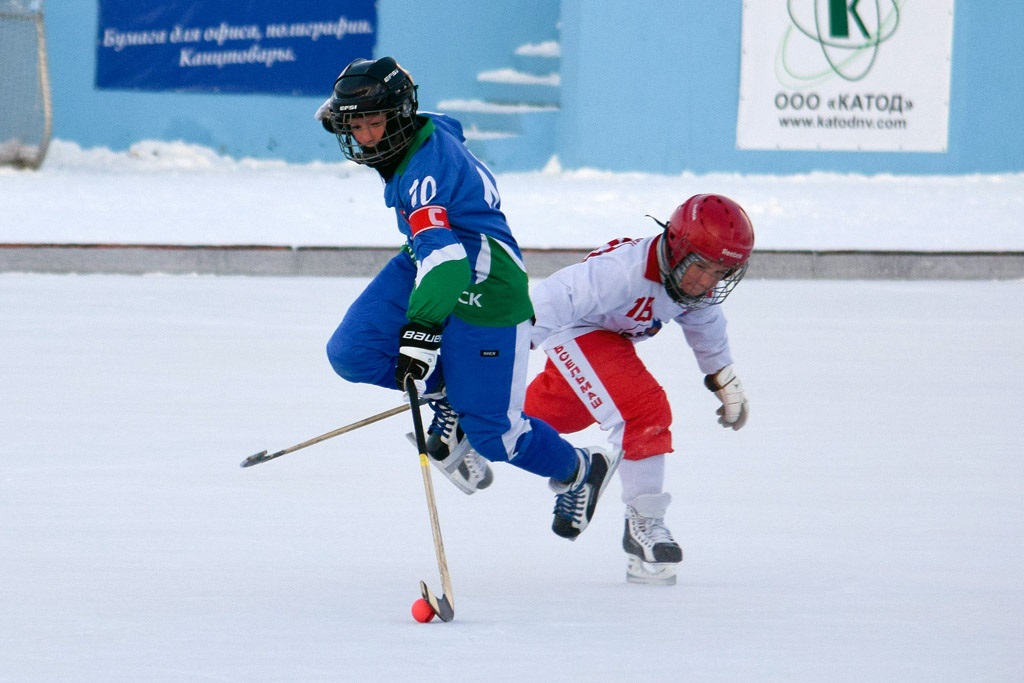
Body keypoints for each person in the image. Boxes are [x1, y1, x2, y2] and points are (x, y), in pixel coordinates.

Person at [315, 56, 621, 540]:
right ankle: (450, 395)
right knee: (352, 352)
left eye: (376, 122)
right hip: (427, 261)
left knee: (496, 437)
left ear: (398, 116)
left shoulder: (422, 174)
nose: (368, 136)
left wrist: (419, 337)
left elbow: (451, 263)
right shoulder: (420, 130)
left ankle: (581, 468)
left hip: (485, 290)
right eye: (357, 125)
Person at [524, 193, 754, 582]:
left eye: (719, 274)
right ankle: (644, 524)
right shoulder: (622, 270)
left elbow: (706, 326)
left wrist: (723, 377)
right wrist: (495, 354)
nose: (706, 282)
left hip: (607, 340)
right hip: (575, 329)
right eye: (701, 267)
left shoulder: (691, 284)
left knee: (555, 415)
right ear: (676, 247)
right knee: (643, 410)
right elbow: (550, 301)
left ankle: (474, 426)